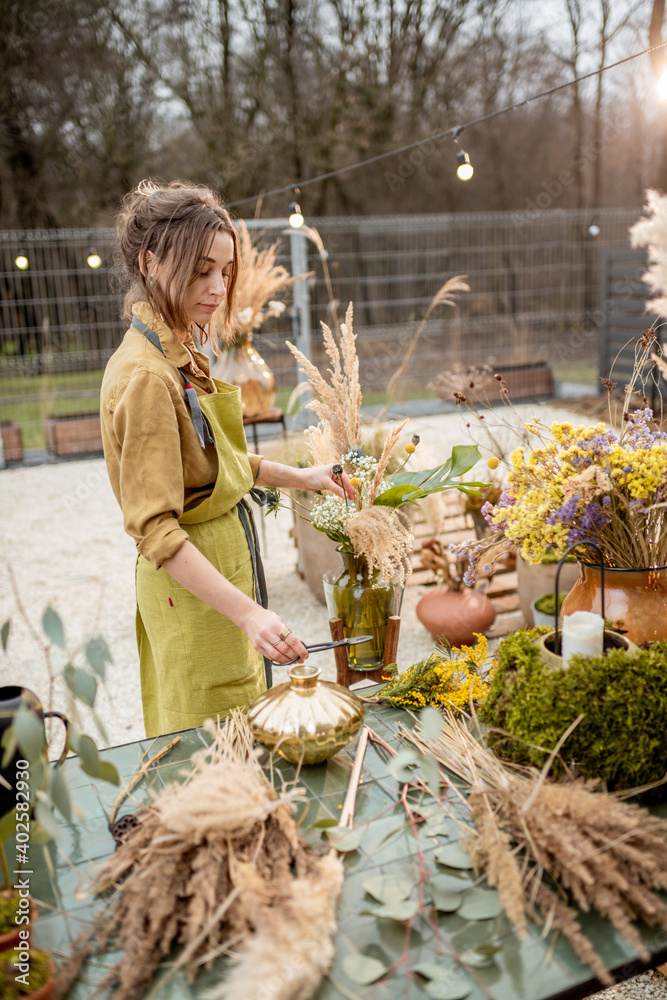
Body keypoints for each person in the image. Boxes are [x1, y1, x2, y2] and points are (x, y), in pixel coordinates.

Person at [100, 180, 352, 737]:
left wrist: (305, 477)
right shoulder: (146, 376)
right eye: (200, 271)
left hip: (226, 572)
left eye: (224, 270)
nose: (217, 288)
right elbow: (158, 533)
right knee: (208, 746)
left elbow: (223, 463)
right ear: (149, 263)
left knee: (243, 726)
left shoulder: (183, 348)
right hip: (192, 595)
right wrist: (249, 613)